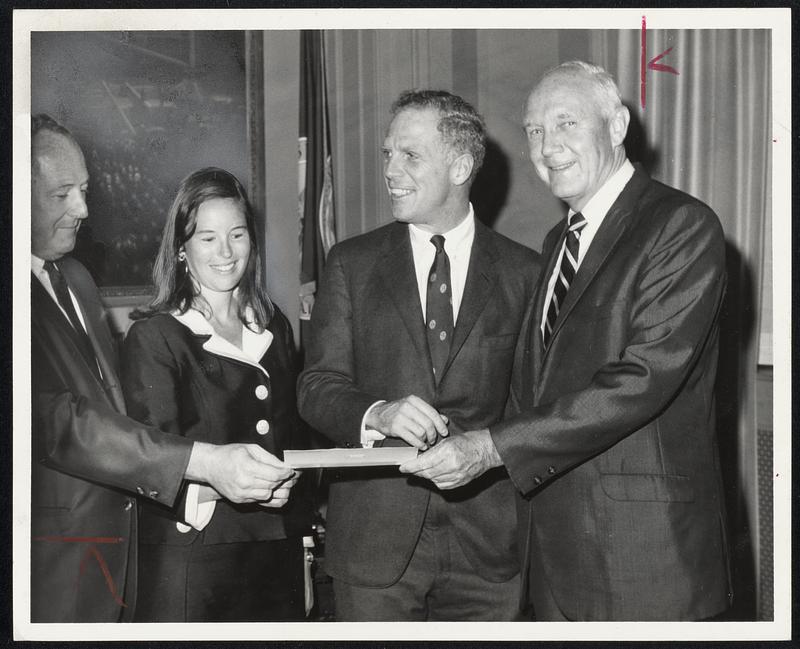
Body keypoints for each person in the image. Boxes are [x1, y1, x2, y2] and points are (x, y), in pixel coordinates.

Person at [401, 61, 732, 621]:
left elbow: (641, 380)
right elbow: (537, 384)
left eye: (566, 123)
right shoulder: (558, 240)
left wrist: (489, 447)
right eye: (534, 131)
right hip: (555, 554)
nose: (548, 146)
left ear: (618, 125)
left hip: (644, 558)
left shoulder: (680, 225)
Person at [30, 115, 297, 623]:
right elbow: (60, 420)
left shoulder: (76, 279)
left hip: (172, 551)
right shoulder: (157, 334)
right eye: (62, 193)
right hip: (82, 551)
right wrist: (209, 467)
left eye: (84, 190)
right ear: (181, 249)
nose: (84, 209)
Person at [297, 90, 541, 621]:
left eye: (409, 155)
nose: (390, 170)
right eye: (387, 154)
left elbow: (537, 408)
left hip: (490, 549)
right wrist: (376, 413)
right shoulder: (351, 264)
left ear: (459, 166)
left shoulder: (526, 273)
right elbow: (317, 386)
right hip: (374, 545)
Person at [120, 167, 312, 622]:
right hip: (192, 554)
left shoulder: (274, 326)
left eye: (237, 234)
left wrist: (302, 547)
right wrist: (227, 489)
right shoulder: (156, 336)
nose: (225, 253)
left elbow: (295, 440)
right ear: (182, 249)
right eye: (207, 238)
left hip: (275, 552)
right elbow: (147, 463)